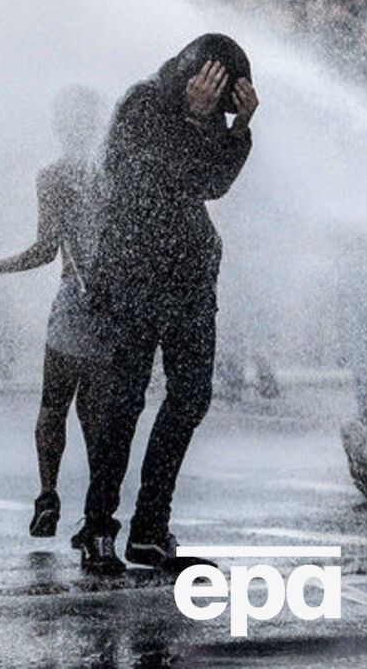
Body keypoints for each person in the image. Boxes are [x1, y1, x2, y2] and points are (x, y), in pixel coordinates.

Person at [73, 35, 257, 575]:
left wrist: (235, 130)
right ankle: (97, 527)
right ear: (193, 74)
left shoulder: (203, 118)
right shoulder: (142, 103)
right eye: (214, 92)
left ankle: (150, 530)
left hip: (192, 281)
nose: (215, 102)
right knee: (124, 401)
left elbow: (212, 183)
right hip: (135, 275)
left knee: (191, 397)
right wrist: (195, 124)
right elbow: (153, 181)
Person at [0, 86, 107, 538]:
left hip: (74, 302)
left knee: (54, 404)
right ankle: (95, 513)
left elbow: (45, 249)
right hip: (107, 306)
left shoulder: (54, 175)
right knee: (95, 414)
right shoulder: (113, 173)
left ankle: (48, 495)